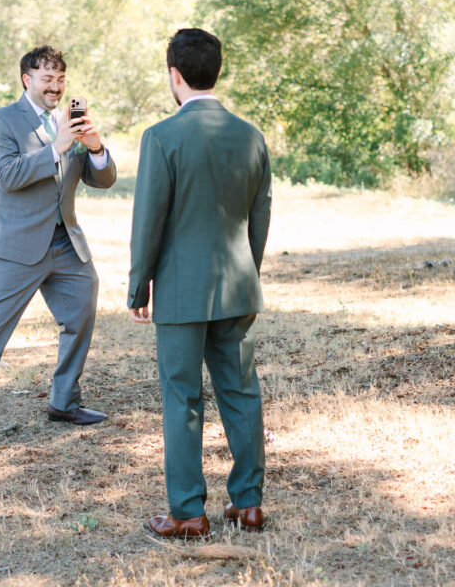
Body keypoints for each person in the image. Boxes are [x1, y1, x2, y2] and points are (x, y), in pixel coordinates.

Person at [128, 28, 272, 538]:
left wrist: (138, 285)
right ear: (216, 70)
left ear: (175, 74)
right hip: (238, 285)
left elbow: (149, 220)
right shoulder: (250, 136)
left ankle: (189, 512)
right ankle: (248, 504)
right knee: (241, 393)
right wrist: (246, 271)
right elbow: (259, 218)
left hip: (180, 291)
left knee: (182, 398)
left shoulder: (162, 137)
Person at [0, 45, 117, 455]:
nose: (56, 87)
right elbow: (8, 176)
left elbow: (104, 180)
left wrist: (94, 147)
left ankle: (63, 403)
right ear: (27, 80)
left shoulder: (71, 121)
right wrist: (56, 146)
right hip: (16, 245)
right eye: (47, 79)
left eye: (61, 80)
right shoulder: (1, 121)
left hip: (65, 241)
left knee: (81, 314)